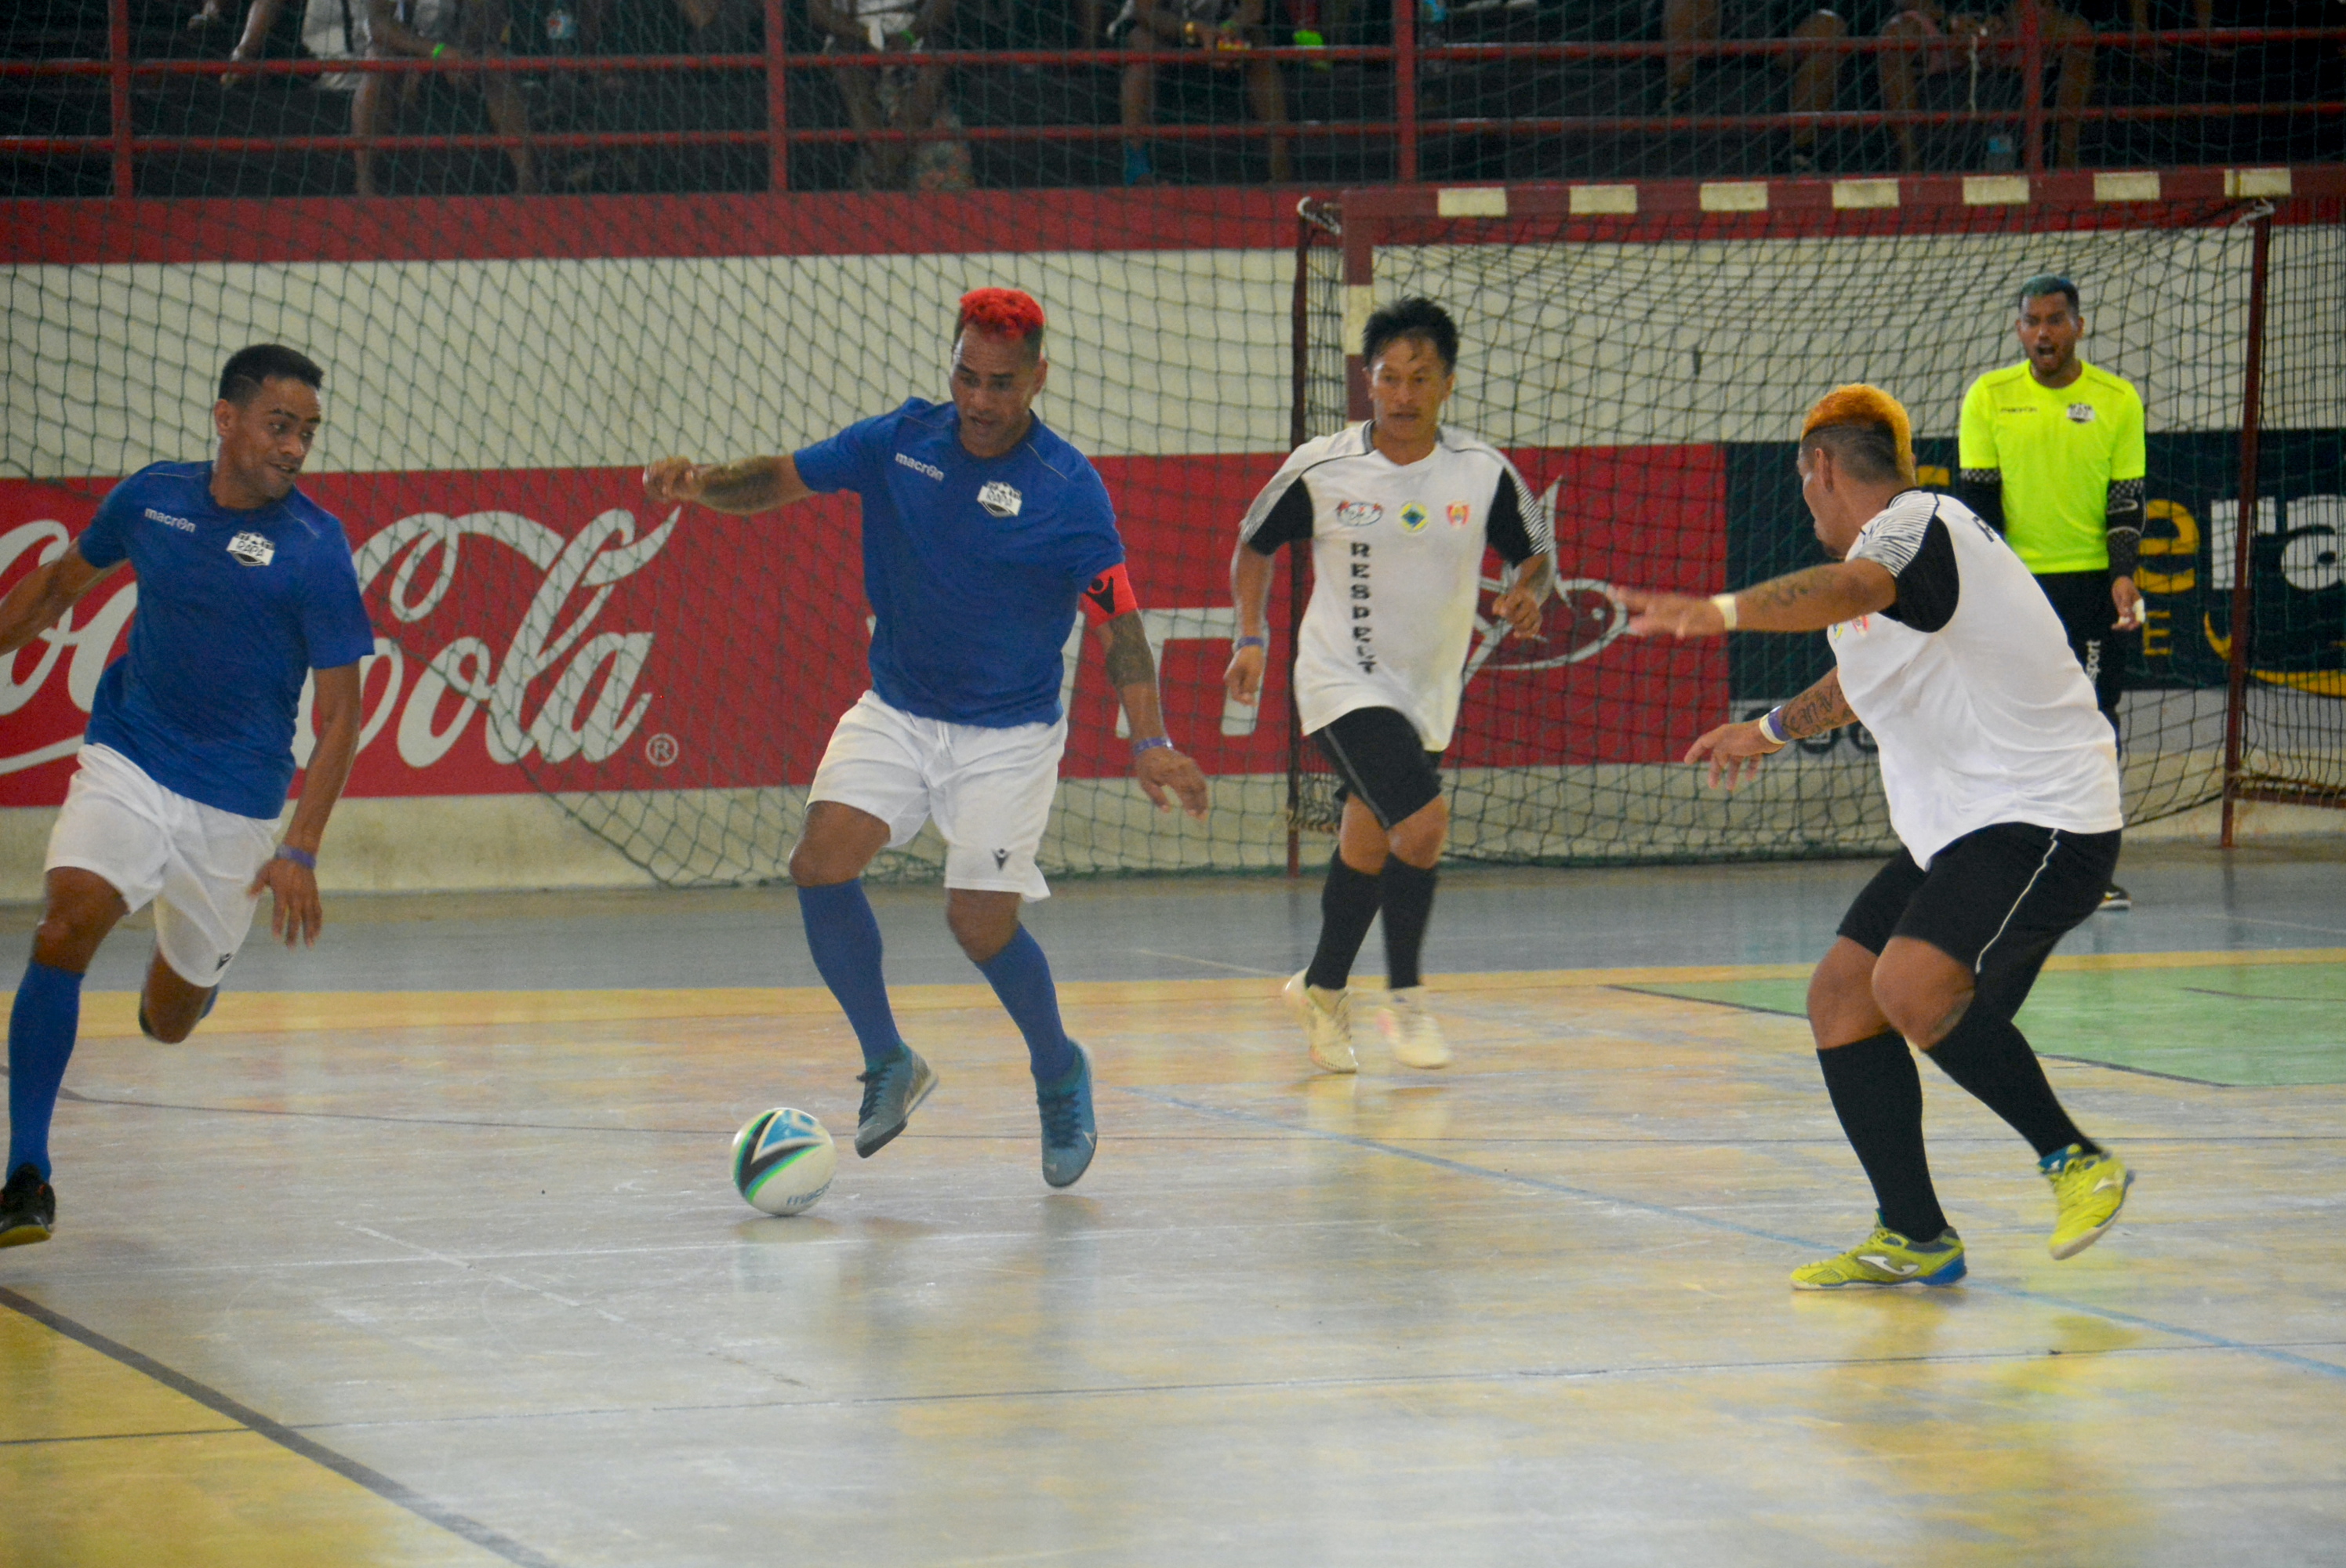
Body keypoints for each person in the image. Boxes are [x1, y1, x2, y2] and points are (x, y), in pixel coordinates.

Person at [641, 289, 1209, 1190]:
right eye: (966, 377)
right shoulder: (899, 441)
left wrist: (1150, 740)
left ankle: (1059, 1068)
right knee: (819, 861)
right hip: (899, 708)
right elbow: (781, 478)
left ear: (1039, 380)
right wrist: (704, 484)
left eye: (1002, 384)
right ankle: (889, 1061)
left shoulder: (1068, 490)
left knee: (978, 925)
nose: (980, 400)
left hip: (1009, 733)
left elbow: (1119, 623)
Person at [1621, 383, 2133, 1290]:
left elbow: (1855, 588)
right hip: (1965, 828)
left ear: (1821, 466)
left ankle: (2075, 1157)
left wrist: (1722, 611)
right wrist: (1769, 729)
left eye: (1803, 480)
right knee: (1840, 999)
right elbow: (1865, 676)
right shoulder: (1896, 558)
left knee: (1909, 985)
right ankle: (1913, 1231)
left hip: (2044, 813)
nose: (1804, 500)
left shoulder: (1917, 523)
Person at [0, 345, 376, 1249]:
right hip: (130, 754)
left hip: (236, 804)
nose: (295, 447)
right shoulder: (151, 499)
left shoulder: (316, 549)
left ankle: (194, 983)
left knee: (168, 1023)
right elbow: (58, 586)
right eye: (280, 426)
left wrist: (300, 847)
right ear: (227, 420)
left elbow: (339, 718)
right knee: (65, 925)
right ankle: (26, 1172)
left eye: (308, 433)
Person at [1225, 299, 1552, 1075]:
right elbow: (1253, 544)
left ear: (1447, 384)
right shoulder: (1324, 464)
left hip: (1428, 689)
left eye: (1420, 378)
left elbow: (1531, 556)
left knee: (1371, 836)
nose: (1402, 395)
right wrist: (1250, 635)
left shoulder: (1482, 471)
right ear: (1367, 381)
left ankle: (1322, 985)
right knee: (1424, 822)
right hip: (1338, 679)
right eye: (1388, 378)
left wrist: (1526, 589)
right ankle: (1405, 998)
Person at [1957, 273, 2144, 910]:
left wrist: (2123, 574)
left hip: (2091, 586)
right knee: (2008, 723)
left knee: (2091, 724)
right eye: (2032, 321)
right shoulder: (1989, 396)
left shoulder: (2118, 400)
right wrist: (1988, 588)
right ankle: (2008, 862)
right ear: (2019, 331)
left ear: (2079, 327)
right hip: (2016, 588)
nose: (2044, 332)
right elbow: (1978, 501)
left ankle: (2089, 872)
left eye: (2056, 320)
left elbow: (2126, 503)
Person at [1876, 2, 2098, 169]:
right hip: (1942, 28)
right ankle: (1911, 162)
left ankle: (2066, 158)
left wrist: (2009, 20)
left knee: (2077, 35)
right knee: (1895, 36)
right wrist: (1948, 24)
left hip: (2012, 23)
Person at [359, 0, 537, 196]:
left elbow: (489, 18)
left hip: (459, 48)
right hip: (409, 49)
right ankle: (364, 182)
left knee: (494, 61)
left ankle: (527, 180)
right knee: (378, 60)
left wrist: (458, 54)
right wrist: (434, 54)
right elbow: (380, 26)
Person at [1655, 0, 1855, 172]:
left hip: (1774, 42)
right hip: (1707, 39)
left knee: (1828, 24)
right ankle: (1676, 97)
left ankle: (1801, 151)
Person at [1112, 0, 1293, 186]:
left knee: (1258, 43)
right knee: (1142, 46)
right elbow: (1146, 12)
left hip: (1221, 28)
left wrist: (1228, 30)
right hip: (1161, 29)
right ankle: (1137, 167)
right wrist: (1195, 31)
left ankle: (1280, 166)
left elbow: (1254, 9)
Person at [807, 0, 973, 191]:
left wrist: (908, 35)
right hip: (853, 33)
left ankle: (888, 160)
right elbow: (818, 12)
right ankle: (888, 159)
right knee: (846, 67)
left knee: (936, 64)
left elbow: (941, 5)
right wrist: (867, 34)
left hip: (913, 29)